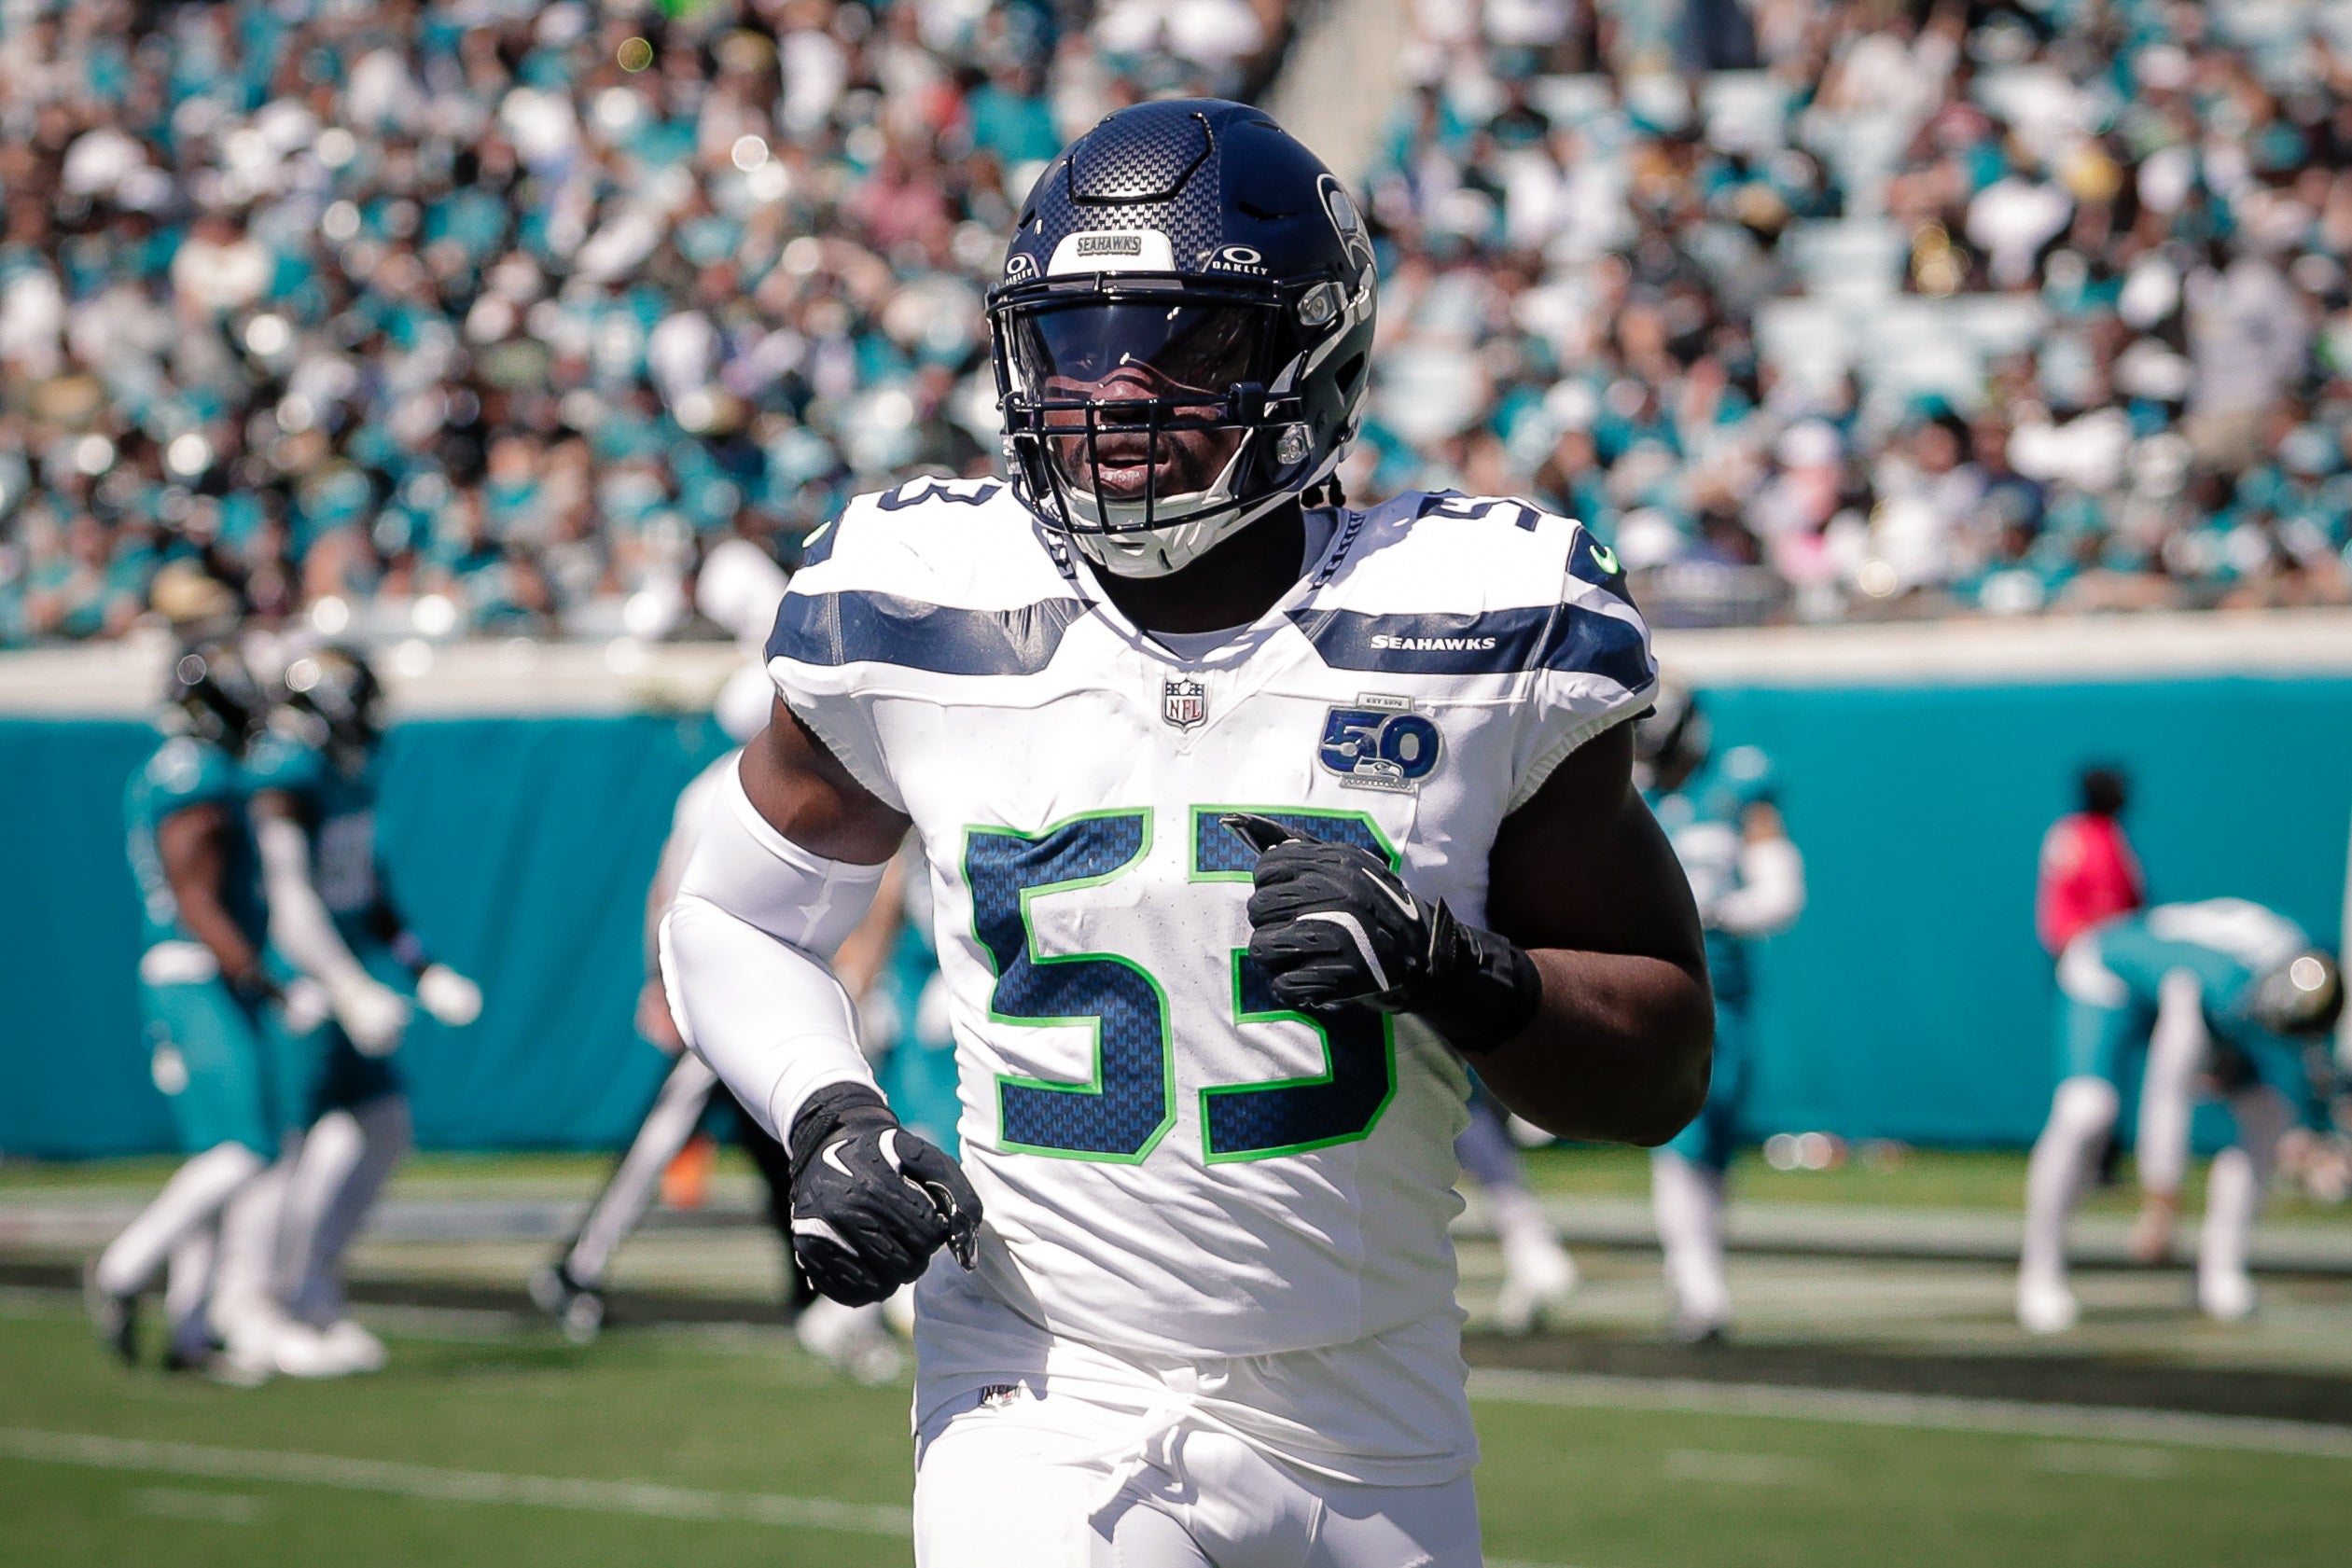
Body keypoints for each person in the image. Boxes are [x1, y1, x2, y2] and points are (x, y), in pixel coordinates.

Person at [661, 99, 1712, 1567]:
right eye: (1075, 340)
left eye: (1188, 339)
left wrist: (1458, 973)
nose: (1115, 390)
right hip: (1043, 1381)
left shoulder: (1480, 619)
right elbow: (729, 918)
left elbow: (1661, 1063)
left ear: (1315, 350)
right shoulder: (917, 595)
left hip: (1375, 1400)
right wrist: (825, 1113)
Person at [528, 674, 908, 1381]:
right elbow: (680, 897)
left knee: (793, 1148)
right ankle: (583, 1263)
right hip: (773, 993)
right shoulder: (753, 786)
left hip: (764, 991)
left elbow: (667, 898)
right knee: (712, 1133)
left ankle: (828, 1296)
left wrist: (663, 977)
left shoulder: (721, 786)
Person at [244, 644, 481, 1376]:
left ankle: (314, 1289)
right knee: (281, 1152)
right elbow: (288, 901)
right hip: (300, 986)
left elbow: (369, 893)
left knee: (384, 1124)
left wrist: (423, 965)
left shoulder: (349, 777)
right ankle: (254, 1310)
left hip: (348, 979)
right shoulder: (284, 771)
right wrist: (347, 989)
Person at [89, 642, 293, 1378]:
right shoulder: (197, 774)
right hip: (196, 970)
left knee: (220, 1156)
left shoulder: (166, 769)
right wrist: (257, 972)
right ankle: (122, 1266)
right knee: (247, 1148)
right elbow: (194, 891)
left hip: (182, 969)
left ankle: (189, 1332)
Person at [2020, 899, 2344, 1333]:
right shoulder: (2209, 980)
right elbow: (2167, 1087)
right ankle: (2040, 1271)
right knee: (2087, 1110)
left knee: (2269, 1113)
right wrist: (2162, 1201)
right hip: (2106, 973)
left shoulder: (2302, 960)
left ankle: (2221, 1270)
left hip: (2200, 997)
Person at [1636, 686, 1806, 1342]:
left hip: (1724, 992)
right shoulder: (1630, 798)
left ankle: (1699, 1278)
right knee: (1676, 1138)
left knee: (1713, 1145)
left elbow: (1782, 893)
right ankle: (1698, 1286)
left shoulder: (1736, 790)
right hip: (1659, 988)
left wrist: (1714, 913)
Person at [2036, 767, 2144, 960]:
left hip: (2102, 942)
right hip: (2085, 946)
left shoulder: (2101, 832)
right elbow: (2106, 894)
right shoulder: (2082, 834)